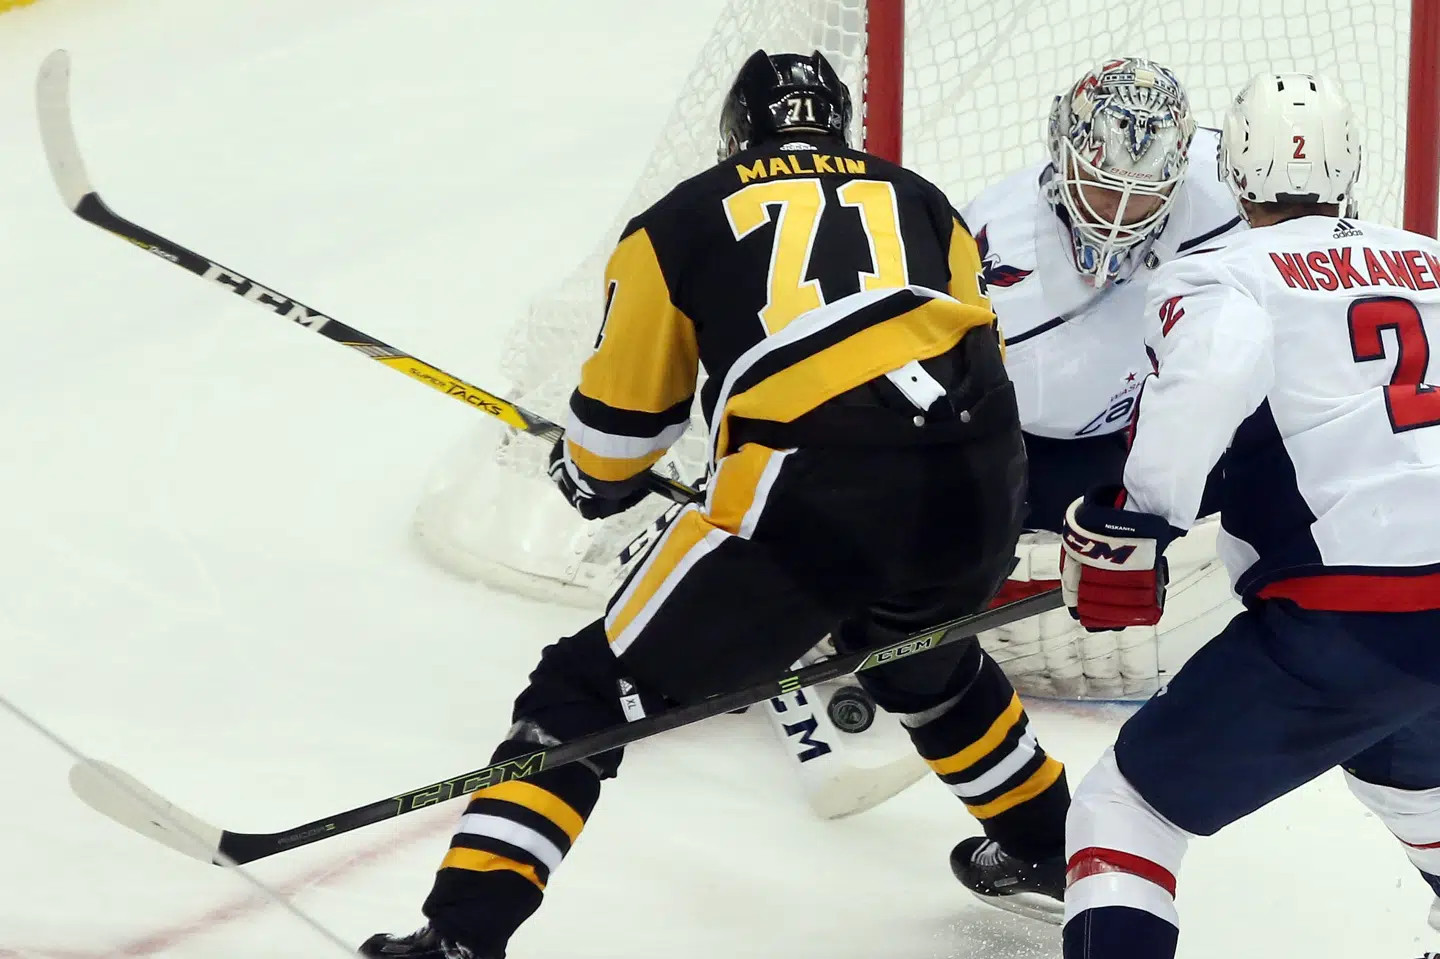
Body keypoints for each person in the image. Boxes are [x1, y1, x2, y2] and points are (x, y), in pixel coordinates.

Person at [361, 49, 1068, 959]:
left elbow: (618, 436)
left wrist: (591, 477)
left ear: (738, 131)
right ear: (840, 128)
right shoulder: (921, 198)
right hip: (982, 472)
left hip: (812, 484)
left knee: (583, 689)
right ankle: (1057, 850)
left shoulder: (677, 220)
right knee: (922, 660)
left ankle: (459, 936)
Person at [1057, 72, 1440, 958]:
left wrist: (1141, 519)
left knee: (1126, 809)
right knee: (1414, 784)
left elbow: (1212, 373)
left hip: (1350, 621)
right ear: (1351, 165)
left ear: (1232, 169)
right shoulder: (1428, 257)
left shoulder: (1223, 272)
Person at [950, 55, 1244, 906]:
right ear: (1062, 154)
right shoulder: (991, 238)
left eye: (1142, 197)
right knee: (945, 528)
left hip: (1131, 428)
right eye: (1100, 188)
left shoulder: (1221, 191)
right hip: (1017, 445)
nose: (1118, 217)